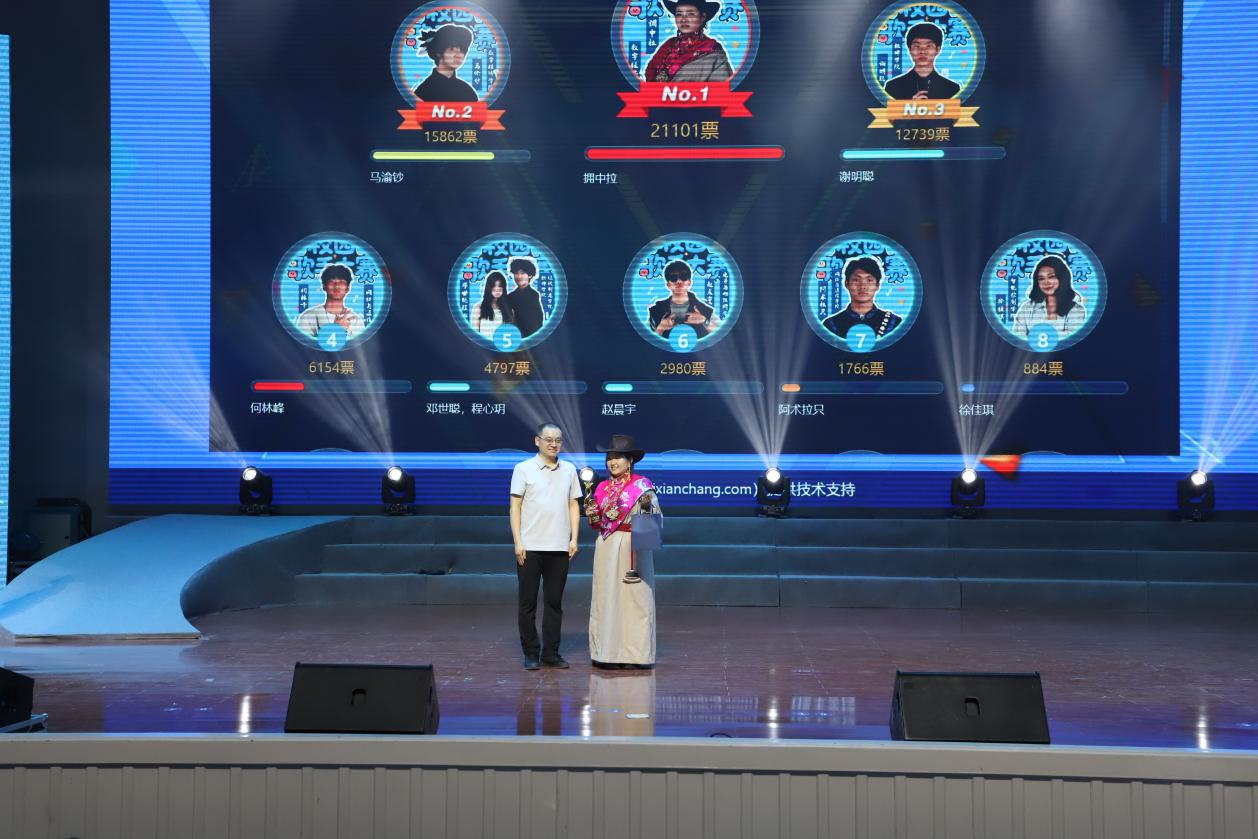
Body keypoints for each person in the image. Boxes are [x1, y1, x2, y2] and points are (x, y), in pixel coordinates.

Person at [510, 422, 582, 670]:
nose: (554, 444)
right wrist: (518, 542)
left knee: (554, 602)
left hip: (559, 547)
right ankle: (531, 652)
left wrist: (573, 538)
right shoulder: (523, 469)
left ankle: (551, 652)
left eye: (558, 440)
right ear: (537, 441)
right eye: (548, 439)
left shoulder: (569, 469)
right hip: (530, 546)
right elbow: (515, 506)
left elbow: (574, 504)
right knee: (527, 602)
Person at [584, 435, 660, 669]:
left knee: (635, 599)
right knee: (606, 598)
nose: (612, 462)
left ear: (630, 461)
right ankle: (606, 654)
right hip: (606, 545)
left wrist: (647, 509)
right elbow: (597, 523)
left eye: (618, 457)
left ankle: (636, 655)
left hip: (633, 545)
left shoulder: (642, 485)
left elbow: (653, 522)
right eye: (609, 458)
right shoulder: (601, 487)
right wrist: (592, 514)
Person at [643, 1, 733, 83]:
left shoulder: (713, 50)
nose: (683, 19)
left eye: (690, 14)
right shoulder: (669, 44)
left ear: (702, 17)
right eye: (679, 14)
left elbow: (720, 89)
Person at [821, 256, 903, 340]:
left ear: (877, 285)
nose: (863, 286)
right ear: (846, 284)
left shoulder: (894, 322)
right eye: (856, 280)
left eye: (869, 280)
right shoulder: (830, 324)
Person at [1013, 255, 1088, 338]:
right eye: (1041, 278)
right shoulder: (1026, 308)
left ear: (1062, 278)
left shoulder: (1076, 310)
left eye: (1051, 276)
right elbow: (1018, 338)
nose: (1046, 282)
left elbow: (1073, 340)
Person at [882, 22, 961, 100]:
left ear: (938, 50)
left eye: (929, 46)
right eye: (917, 46)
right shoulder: (893, 87)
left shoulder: (952, 89)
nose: (922, 51)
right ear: (909, 49)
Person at [647, 261, 718, 340]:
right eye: (673, 278)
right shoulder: (656, 310)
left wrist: (704, 321)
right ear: (668, 285)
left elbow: (720, 335)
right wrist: (660, 328)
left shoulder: (705, 310)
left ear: (689, 282)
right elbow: (646, 341)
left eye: (683, 276)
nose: (679, 281)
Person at [295, 264, 365, 341]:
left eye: (342, 282)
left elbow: (361, 346)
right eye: (331, 282)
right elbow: (302, 346)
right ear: (324, 286)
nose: (337, 286)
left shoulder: (356, 320)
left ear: (348, 288)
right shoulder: (308, 316)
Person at [412, 24, 477, 102]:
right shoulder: (423, 92)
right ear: (438, 52)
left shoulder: (468, 92)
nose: (458, 55)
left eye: (462, 51)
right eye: (452, 49)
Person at [506, 258, 545, 338]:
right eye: (516, 273)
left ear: (530, 275)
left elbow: (539, 318)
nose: (519, 276)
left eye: (522, 273)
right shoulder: (511, 296)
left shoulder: (534, 295)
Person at [472, 271, 514, 341]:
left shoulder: (508, 309)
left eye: (500, 286)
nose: (497, 289)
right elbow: (475, 335)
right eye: (494, 286)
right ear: (489, 287)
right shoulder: (478, 307)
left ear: (504, 288)